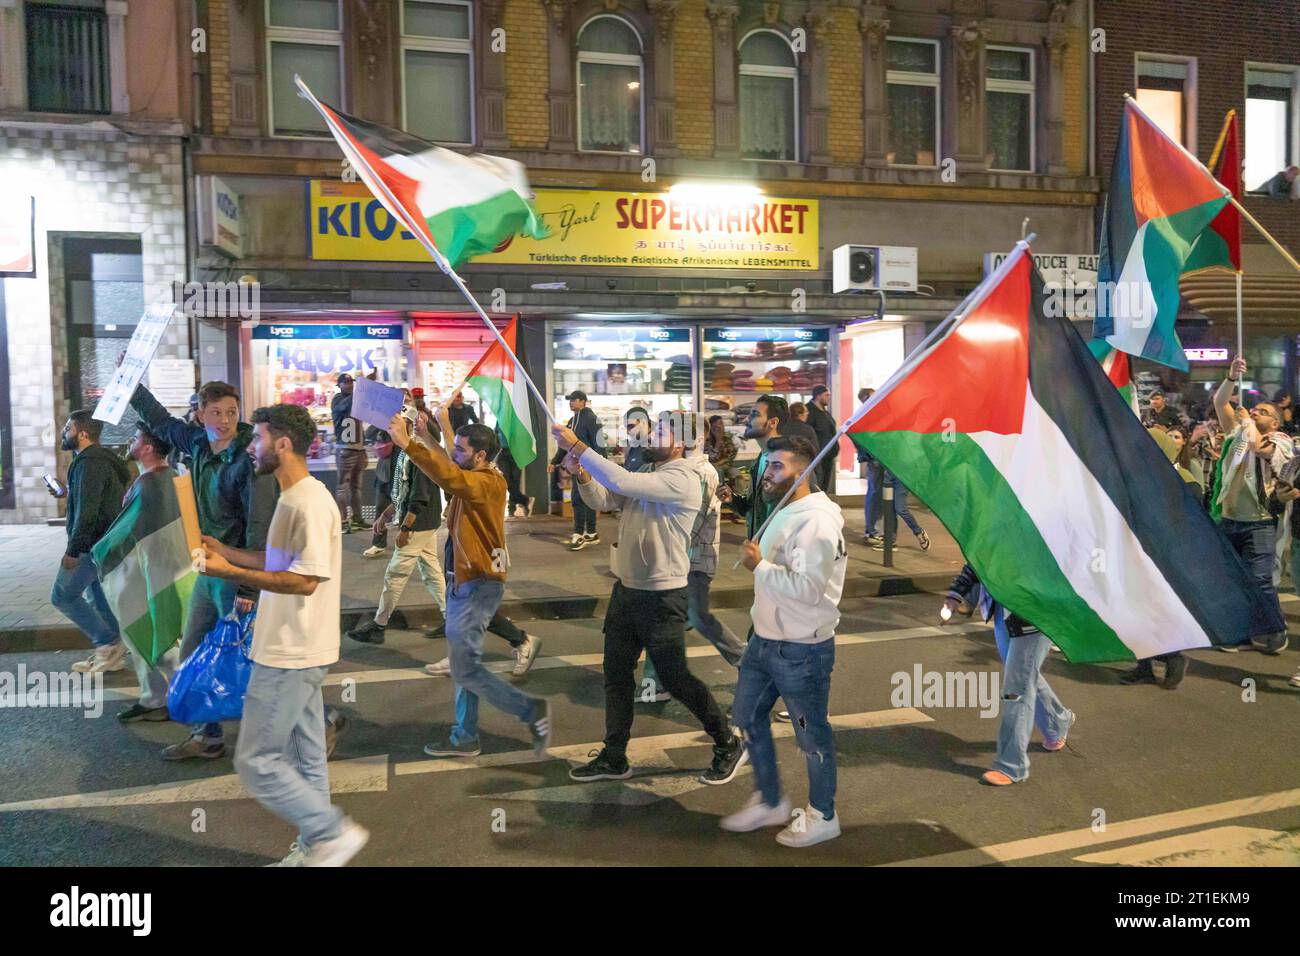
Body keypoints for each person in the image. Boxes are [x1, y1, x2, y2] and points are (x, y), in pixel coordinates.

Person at [198, 404, 368, 867]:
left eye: (257, 439)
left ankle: (332, 833)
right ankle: (318, 846)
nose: (251, 448)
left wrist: (229, 569)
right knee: (307, 757)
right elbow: (278, 564)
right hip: (298, 647)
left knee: (257, 761)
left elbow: (305, 580)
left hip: (291, 651)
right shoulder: (293, 497)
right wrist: (227, 552)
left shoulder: (307, 502)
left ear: (282, 444)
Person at [554, 411, 747, 785]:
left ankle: (727, 742)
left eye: (658, 430)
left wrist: (579, 446)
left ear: (679, 441)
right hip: (627, 590)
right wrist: (581, 473)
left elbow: (620, 479)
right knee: (616, 675)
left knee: (676, 679)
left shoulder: (685, 478)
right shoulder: (651, 473)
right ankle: (614, 755)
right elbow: (605, 498)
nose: (648, 435)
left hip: (662, 596)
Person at [388, 406, 552, 759]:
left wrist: (408, 444)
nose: (455, 453)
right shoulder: (473, 471)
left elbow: (451, 477)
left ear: (480, 455)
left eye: (462, 450)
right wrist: (431, 432)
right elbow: (450, 464)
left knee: (465, 669)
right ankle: (465, 736)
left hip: (477, 582)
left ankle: (521, 714)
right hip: (464, 580)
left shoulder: (488, 482)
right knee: (464, 667)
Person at [130, 379, 279, 760]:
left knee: (249, 659)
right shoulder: (197, 443)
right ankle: (206, 736)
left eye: (231, 412)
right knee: (194, 651)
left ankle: (312, 724)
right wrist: (132, 383)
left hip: (235, 571)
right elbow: (161, 421)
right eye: (216, 412)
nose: (225, 420)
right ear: (200, 413)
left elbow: (259, 524)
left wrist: (249, 587)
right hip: (207, 569)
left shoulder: (248, 459)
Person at [725, 437, 847, 847]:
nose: (767, 474)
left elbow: (809, 589)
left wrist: (759, 566)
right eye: (767, 465)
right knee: (746, 716)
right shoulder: (786, 510)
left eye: (777, 467)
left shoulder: (817, 521)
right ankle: (771, 799)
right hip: (765, 641)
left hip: (801, 648)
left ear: (804, 470)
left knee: (812, 738)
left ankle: (823, 814)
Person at [641, 413, 748, 698]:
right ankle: (655, 680)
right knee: (664, 617)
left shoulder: (701, 472)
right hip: (681, 558)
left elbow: (692, 521)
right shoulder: (676, 468)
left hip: (693, 559)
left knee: (695, 618)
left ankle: (747, 661)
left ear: (696, 439)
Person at [942, 564, 1074, 787]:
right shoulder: (999, 528)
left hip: (1035, 613)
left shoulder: (1042, 532)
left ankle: (1011, 765)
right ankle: (1056, 722)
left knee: (1016, 689)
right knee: (1024, 677)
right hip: (1004, 610)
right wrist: (956, 593)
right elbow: (979, 553)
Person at [1212, 355, 1293, 654]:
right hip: (1230, 519)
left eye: (1262, 411)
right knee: (1232, 582)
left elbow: (1260, 448)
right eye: (1254, 410)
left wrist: (1247, 421)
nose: (1254, 412)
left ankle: (1275, 630)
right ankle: (1240, 634)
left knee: (1259, 581)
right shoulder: (1239, 434)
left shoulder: (1280, 439)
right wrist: (1231, 377)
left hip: (1258, 522)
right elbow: (1221, 403)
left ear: (1275, 421)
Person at [347, 405, 447, 645]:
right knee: (432, 572)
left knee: (395, 574)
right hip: (421, 522)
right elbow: (403, 492)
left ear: (410, 426)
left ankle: (379, 625)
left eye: (397, 423)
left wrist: (405, 529)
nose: (391, 428)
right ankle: (451, 617)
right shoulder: (406, 453)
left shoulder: (417, 452)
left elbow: (419, 497)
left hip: (419, 524)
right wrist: (384, 516)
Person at [104, 423, 184, 721]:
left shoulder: (148, 484)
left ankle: (166, 697)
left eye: (136, 438)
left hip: (150, 573)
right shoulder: (171, 477)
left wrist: (101, 551)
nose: (131, 441)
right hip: (168, 569)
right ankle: (163, 697)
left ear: (148, 447)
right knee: (161, 634)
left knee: (148, 633)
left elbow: (125, 533)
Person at [49, 410, 133, 674]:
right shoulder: (96, 461)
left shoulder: (89, 463)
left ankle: (107, 642)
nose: (64, 432)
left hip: (91, 545)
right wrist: (65, 492)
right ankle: (113, 651)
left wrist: (74, 549)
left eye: (68, 427)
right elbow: (93, 497)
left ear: (82, 433)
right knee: (97, 596)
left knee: (62, 596)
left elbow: (88, 510)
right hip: (102, 542)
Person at [1120, 427, 1200, 689]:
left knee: (1159, 610)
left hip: (1168, 556)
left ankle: (1172, 657)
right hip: (1139, 553)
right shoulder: (1138, 478)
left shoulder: (1184, 479)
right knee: (1137, 611)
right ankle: (1145, 665)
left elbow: (1191, 521)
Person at [549, 390, 605, 549]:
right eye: (570, 400)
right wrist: (555, 461)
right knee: (583, 498)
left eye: (575, 399)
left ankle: (580, 533)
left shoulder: (592, 419)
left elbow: (599, 444)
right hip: (579, 466)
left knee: (581, 498)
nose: (571, 402)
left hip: (588, 466)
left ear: (583, 402)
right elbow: (564, 443)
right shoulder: (573, 421)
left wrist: (600, 466)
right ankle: (590, 533)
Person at [331, 373, 368, 534]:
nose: (349, 384)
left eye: (350, 382)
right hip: (345, 448)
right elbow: (343, 407)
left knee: (356, 487)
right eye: (345, 382)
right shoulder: (338, 399)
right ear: (339, 385)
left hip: (358, 448)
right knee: (343, 487)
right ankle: (342, 520)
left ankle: (357, 518)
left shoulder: (355, 399)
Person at [869, 470, 931, 552]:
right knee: (890, 510)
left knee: (900, 508)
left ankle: (918, 532)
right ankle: (891, 541)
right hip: (888, 475)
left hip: (903, 476)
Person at [856, 387, 885, 545]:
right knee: (875, 494)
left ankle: (874, 529)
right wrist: (868, 455)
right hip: (876, 460)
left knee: (879, 495)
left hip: (880, 459)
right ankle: (872, 530)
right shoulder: (865, 415)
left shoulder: (872, 414)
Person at [362, 423, 394, 558]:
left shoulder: (412, 418)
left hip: (405, 472)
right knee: (380, 508)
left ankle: (416, 544)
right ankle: (378, 543)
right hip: (385, 474)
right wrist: (383, 420)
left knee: (410, 509)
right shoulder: (384, 423)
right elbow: (368, 434)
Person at [806, 385, 840, 494]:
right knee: (817, 485)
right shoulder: (808, 412)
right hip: (817, 457)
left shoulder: (825, 412)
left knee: (824, 486)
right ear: (818, 396)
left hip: (828, 456)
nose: (828, 398)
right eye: (826, 395)